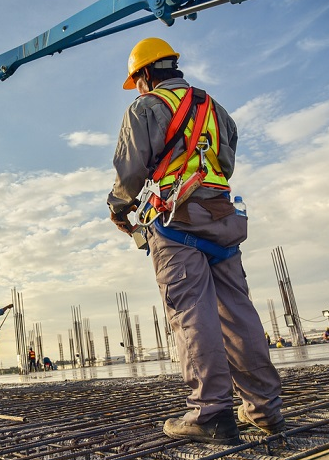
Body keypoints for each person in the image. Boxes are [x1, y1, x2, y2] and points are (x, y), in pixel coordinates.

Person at [107, 38, 283, 444]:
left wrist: (118, 208)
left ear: (146, 73)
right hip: (221, 217)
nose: (136, 88)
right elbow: (225, 162)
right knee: (238, 313)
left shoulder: (146, 107)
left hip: (175, 221)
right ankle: (266, 410)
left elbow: (131, 170)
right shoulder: (215, 109)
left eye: (136, 80)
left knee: (191, 313)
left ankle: (211, 413)